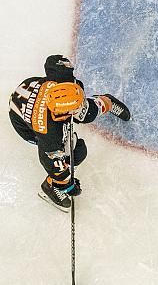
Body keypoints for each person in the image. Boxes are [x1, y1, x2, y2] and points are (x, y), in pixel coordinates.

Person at [8, 55, 131, 212]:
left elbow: (54, 62)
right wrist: (66, 184)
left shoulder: (61, 81)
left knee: (86, 113)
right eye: (73, 109)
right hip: (25, 126)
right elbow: (52, 164)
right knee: (78, 151)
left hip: (30, 95)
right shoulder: (49, 135)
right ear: (60, 113)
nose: (78, 109)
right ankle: (50, 187)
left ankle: (107, 101)